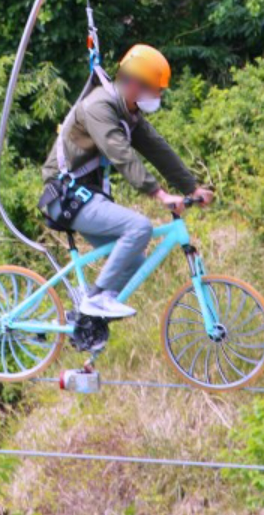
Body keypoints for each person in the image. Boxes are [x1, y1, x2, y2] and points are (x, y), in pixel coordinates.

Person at [40, 44, 215, 319]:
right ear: (134, 84)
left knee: (134, 259)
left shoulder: (128, 113)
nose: (159, 96)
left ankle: (88, 321)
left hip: (85, 196)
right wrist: (160, 194)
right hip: (66, 196)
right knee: (139, 227)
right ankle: (96, 299)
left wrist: (191, 188)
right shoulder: (99, 107)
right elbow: (120, 154)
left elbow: (158, 149)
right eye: (155, 89)